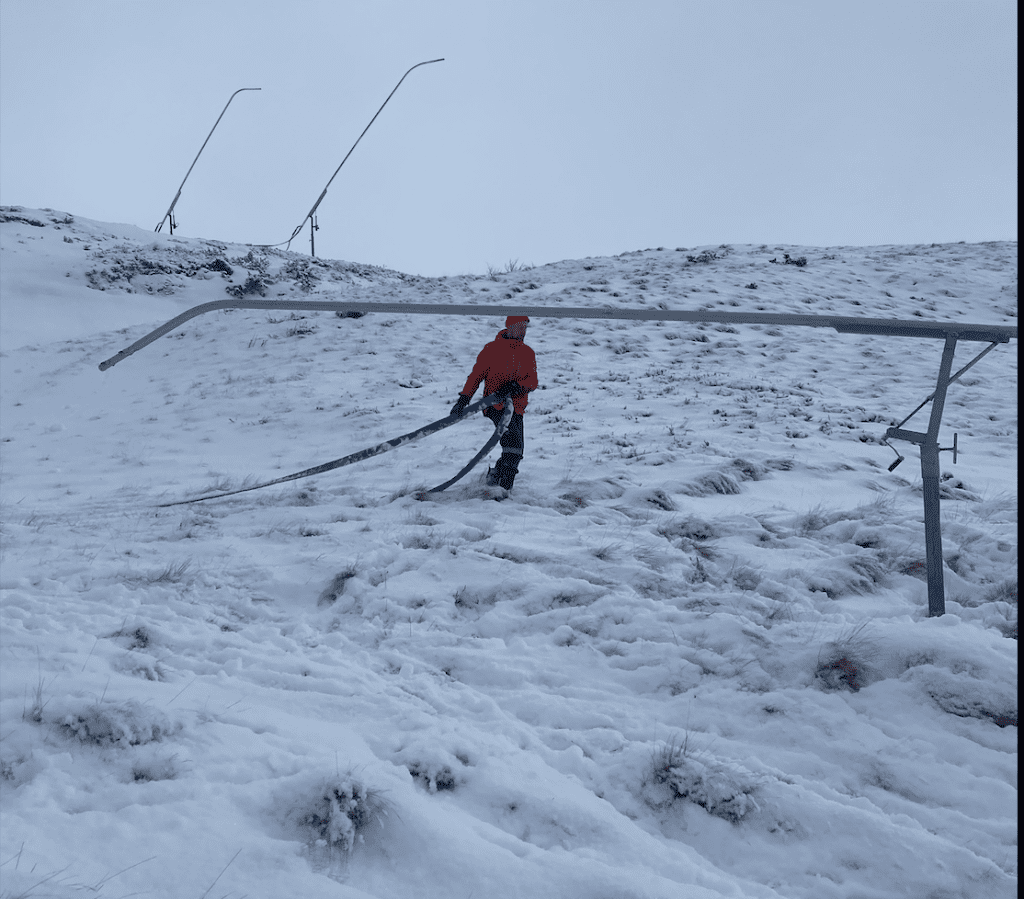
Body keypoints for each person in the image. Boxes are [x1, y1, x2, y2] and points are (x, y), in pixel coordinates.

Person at [449, 315, 538, 492]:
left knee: (515, 451)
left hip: (517, 407)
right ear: (510, 327)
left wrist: (517, 387)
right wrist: (464, 399)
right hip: (495, 406)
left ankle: (496, 480)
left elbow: (533, 382)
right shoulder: (492, 349)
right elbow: (476, 376)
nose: (523, 331)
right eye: (520, 327)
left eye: (525, 328)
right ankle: (502, 489)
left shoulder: (528, 353)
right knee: (513, 445)